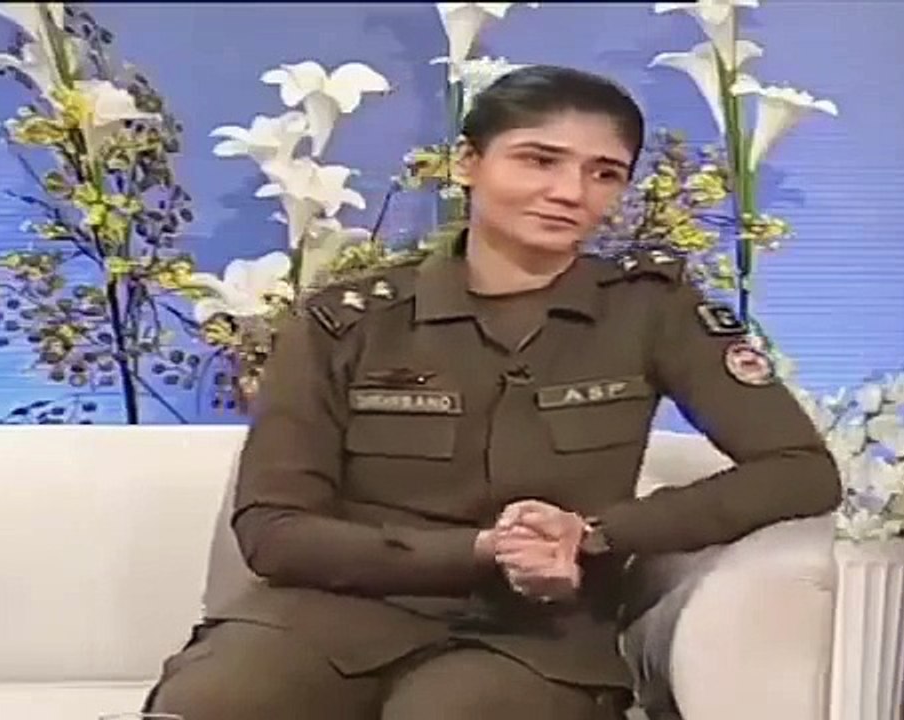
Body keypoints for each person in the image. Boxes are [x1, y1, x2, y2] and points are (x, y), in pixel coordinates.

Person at [144, 65, 842, 720]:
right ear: (467, 163)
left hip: (535, 633)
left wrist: (595, 534)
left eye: (603, 173)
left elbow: (800, 471)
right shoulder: (345, 321)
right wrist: (484, 549)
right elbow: (274, 531)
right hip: (331, 611)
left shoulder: (655, 312)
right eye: (539, 160)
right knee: (217, 701)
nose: (571, 192)